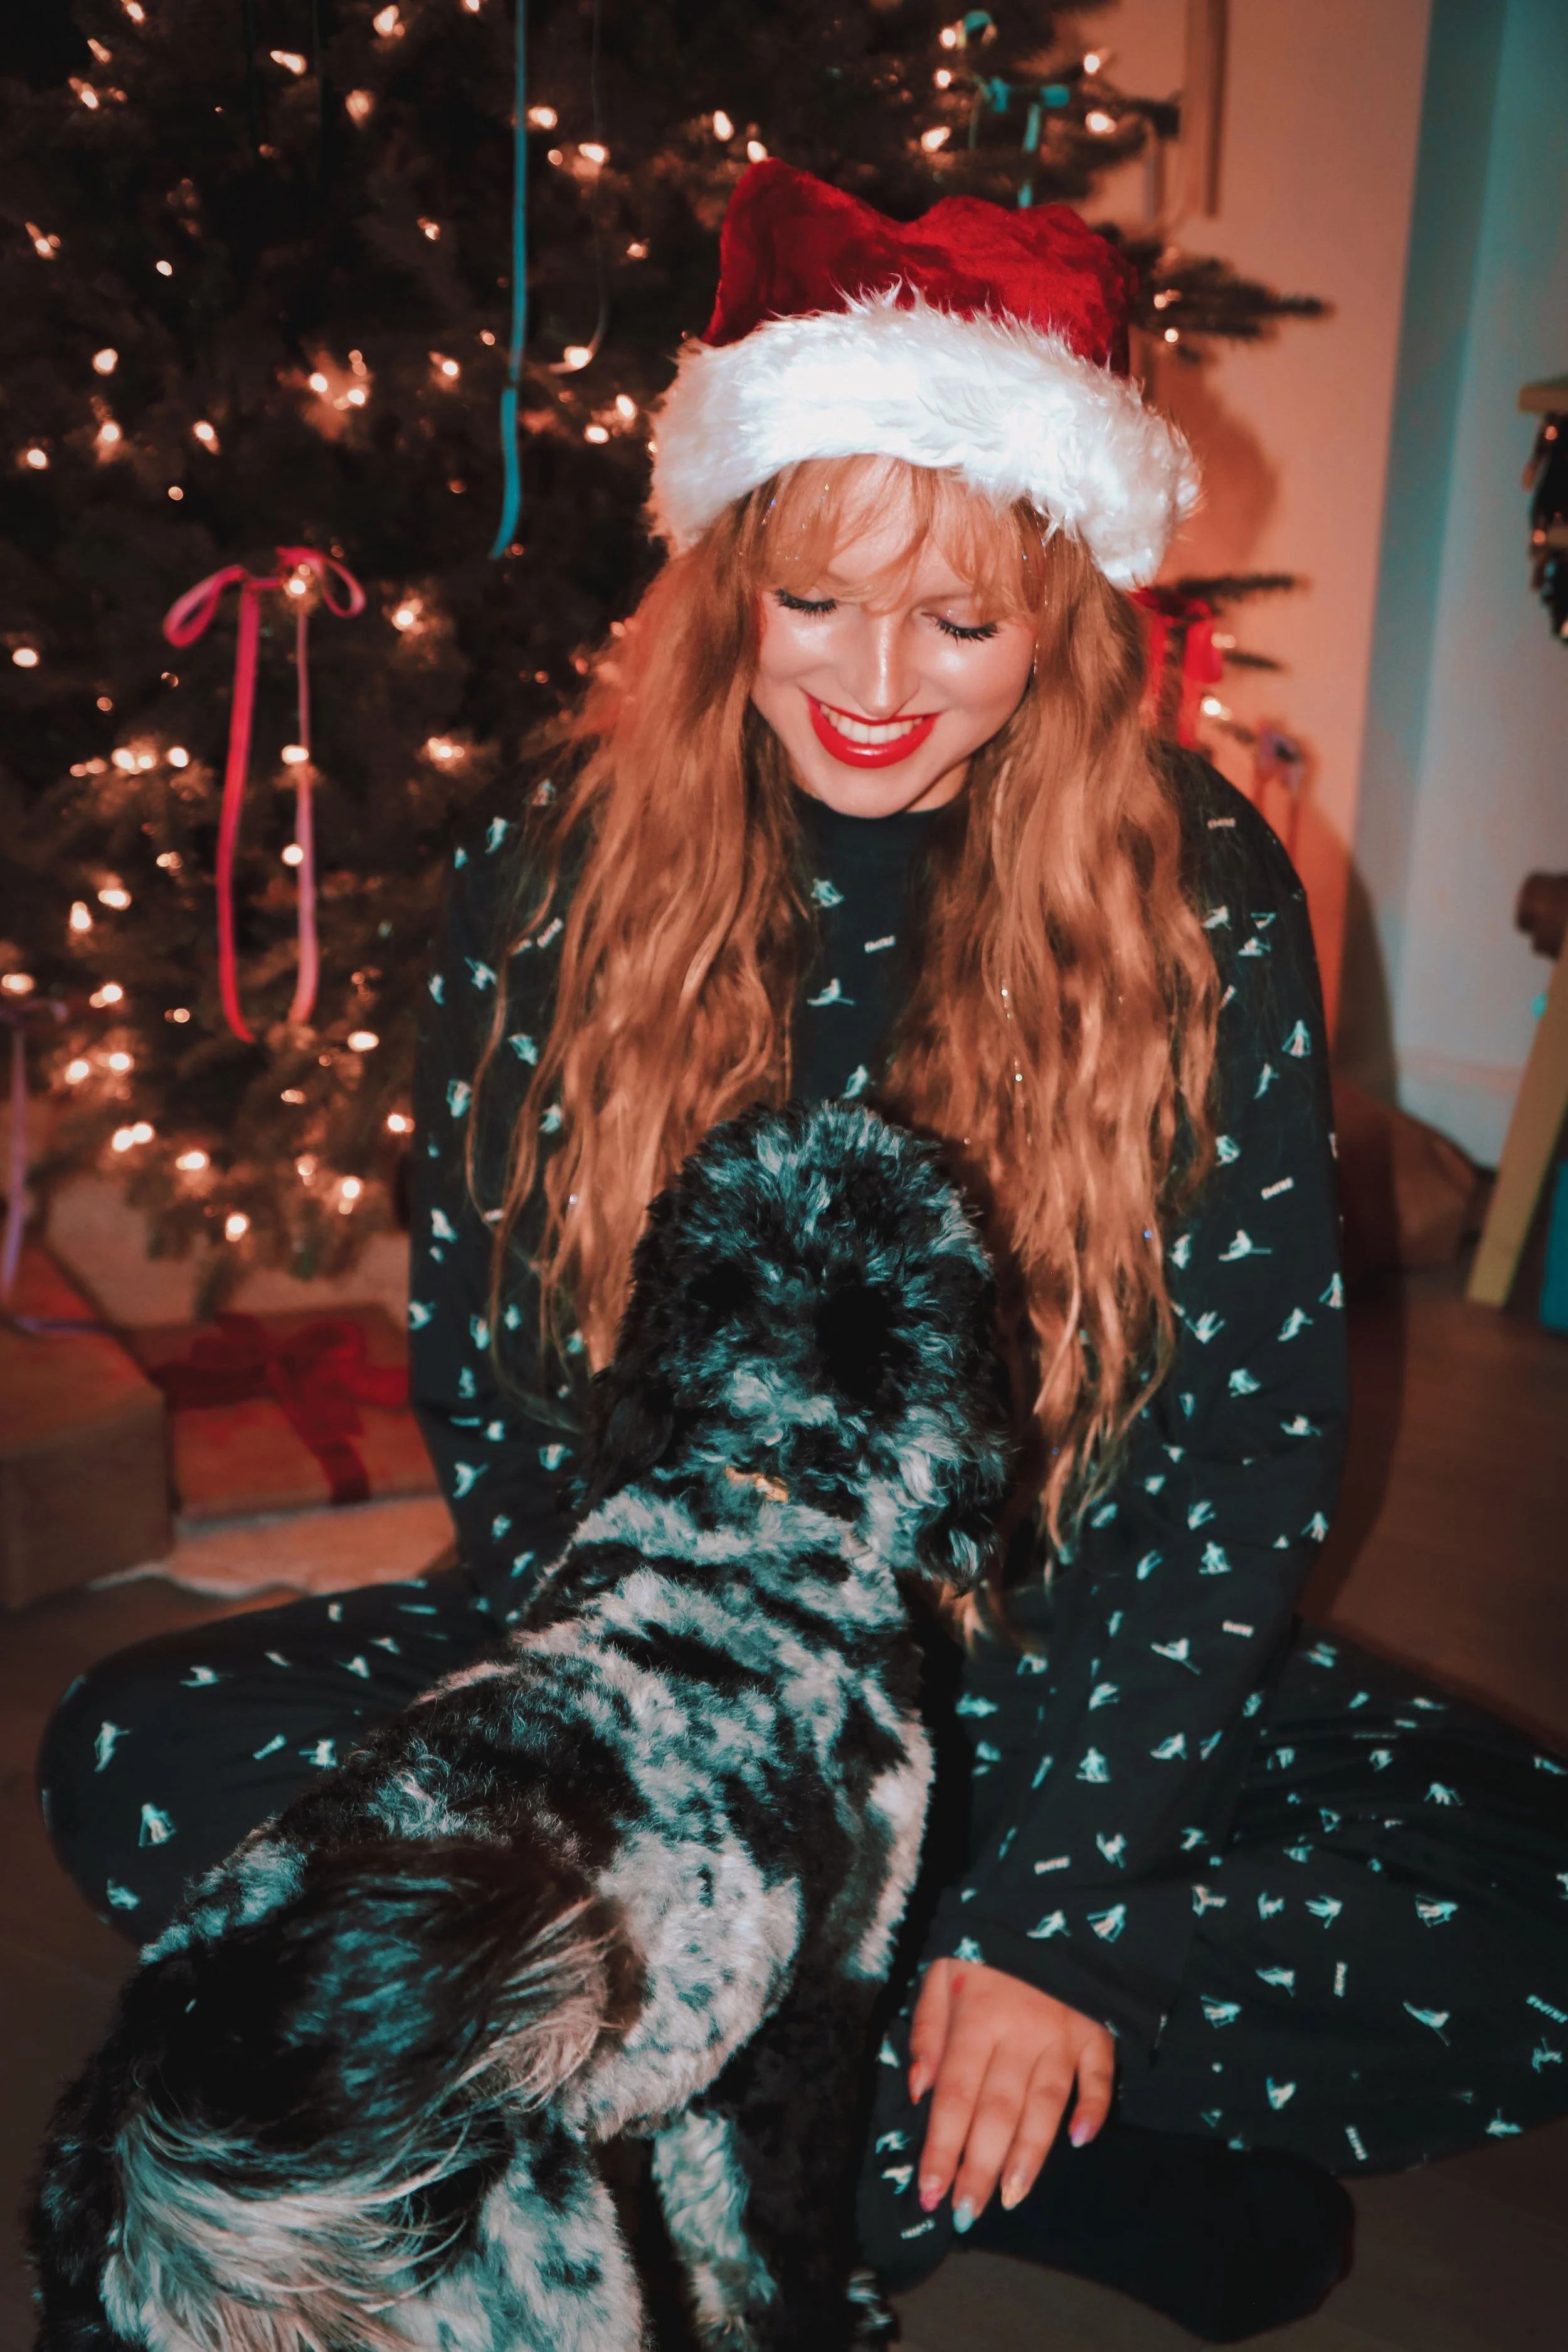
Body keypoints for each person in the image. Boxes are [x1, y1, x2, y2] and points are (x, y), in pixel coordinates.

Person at [39, 164, 1568, 2346]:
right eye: (819, 605)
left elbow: (1246, 1441)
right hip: (641, 1669)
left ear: (1056, 610)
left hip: (1048, 1669)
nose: (876, 682)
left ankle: (834, 2109)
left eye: (957, 621)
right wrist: (674, 1770)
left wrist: (1051, 1922)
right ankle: (985, 2151)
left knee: (1527, 1908)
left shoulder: (1197, 875)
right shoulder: (545, 859)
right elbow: (484, 1368)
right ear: (730, 573)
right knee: (140, 1746)